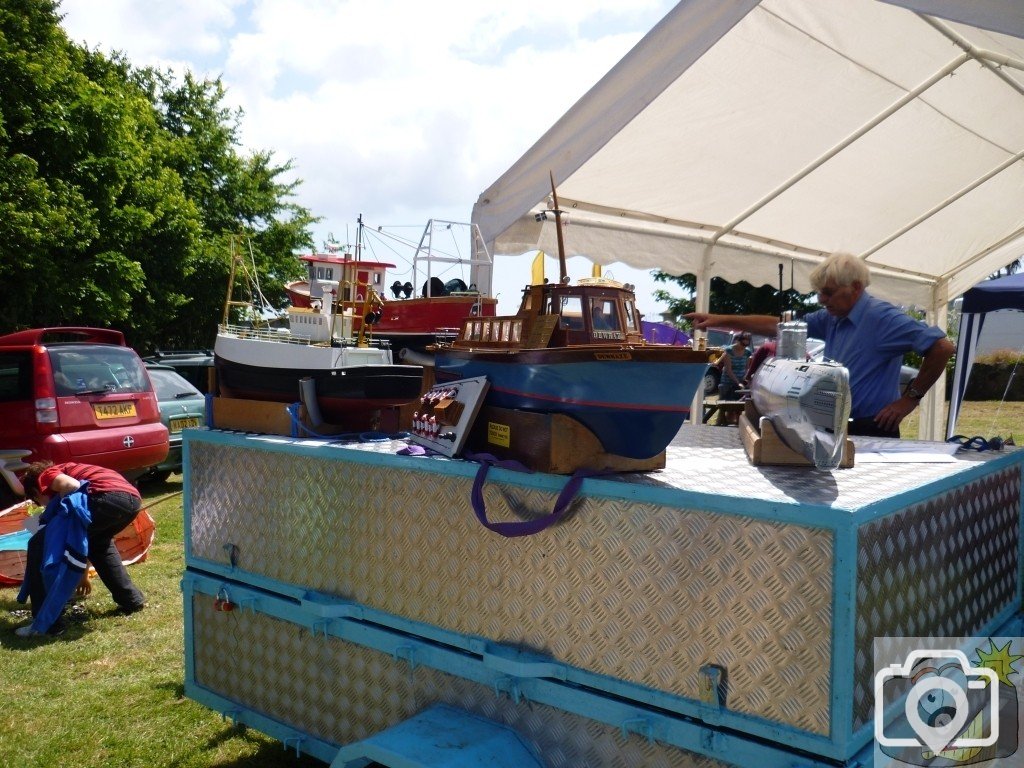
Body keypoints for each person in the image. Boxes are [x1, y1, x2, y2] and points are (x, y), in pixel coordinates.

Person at [686, 252, 955, 438]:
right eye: (819, 292)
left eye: (828, 292)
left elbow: (942, 348)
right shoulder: (833, 318)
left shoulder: (883, 318)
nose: (821, 300)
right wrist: (718, 319)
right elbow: (779, 325)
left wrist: (909, 400)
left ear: (856, 287)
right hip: (834, 426)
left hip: (871, 428)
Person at [15, 460, 146, 637]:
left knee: (39, 544)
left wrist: (54, 513)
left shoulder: (47, 475)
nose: (43, 506)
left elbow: (72, 486)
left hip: (104, 497)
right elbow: (81, 542)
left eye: (39, 501)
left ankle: (46, 624)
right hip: (131, 501)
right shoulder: (73, 468)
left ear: (38, 490)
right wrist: (83, 574)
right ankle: (131, 600)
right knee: (99, 545)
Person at [717, 333, 751, 400]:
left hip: (741, 383)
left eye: (746, 345)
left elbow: (747, 368)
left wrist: (745, 379)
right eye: (742, 344)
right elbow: (729, 370)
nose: (744, 347)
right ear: (737, 341)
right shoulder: (728, 351)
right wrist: (738, 383)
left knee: (739, 406)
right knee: (726, 405)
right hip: (727, 383)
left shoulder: (747, 352)